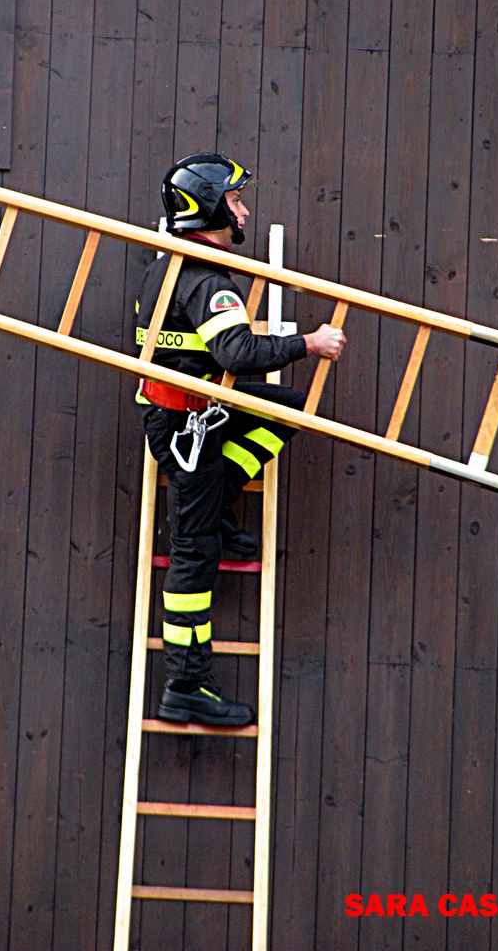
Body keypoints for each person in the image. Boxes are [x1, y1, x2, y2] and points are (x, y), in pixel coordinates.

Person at [135, 152, 346, 726]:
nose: (244, 210)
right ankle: (186, 684)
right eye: (234, 200)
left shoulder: (165, 265)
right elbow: (237, 353)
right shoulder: (206, 280)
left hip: (184, 418)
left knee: (289, 409)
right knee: (193, 555)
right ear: (208, 205)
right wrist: (311, 343)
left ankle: (219, 508)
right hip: (191, 431)